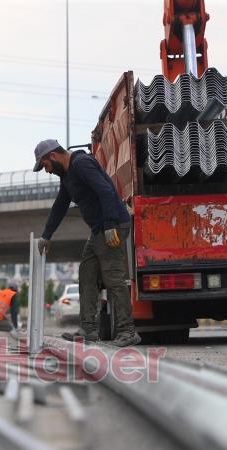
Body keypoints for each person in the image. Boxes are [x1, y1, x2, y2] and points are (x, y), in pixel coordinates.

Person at [33, 139, 141, 347]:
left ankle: (128, 331)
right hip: (99, 230)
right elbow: (60, 205)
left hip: (113, 227)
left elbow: (105, 191)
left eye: (45, 165)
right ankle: (88, 329)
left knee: (113, 278)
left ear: (53, 156)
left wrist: (110, 225)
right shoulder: (67, 176)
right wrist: (47, 235)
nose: (47, 171)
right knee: (87, 275)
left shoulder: (82, 164)